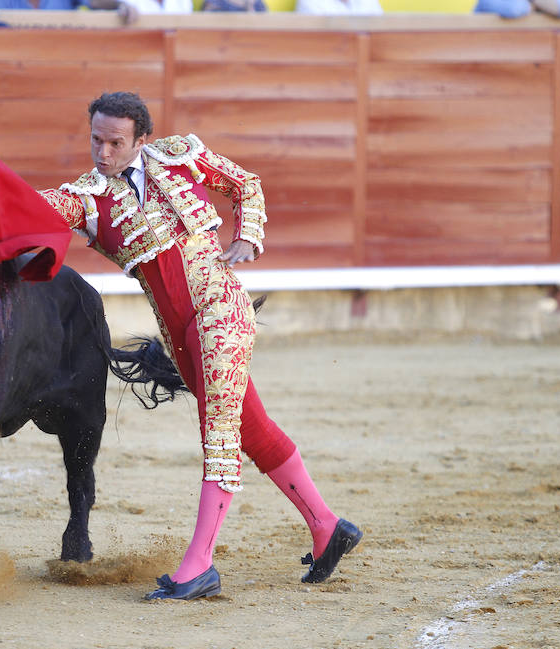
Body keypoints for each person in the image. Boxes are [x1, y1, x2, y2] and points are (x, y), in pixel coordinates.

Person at [39, 92, 362, 600]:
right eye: (96, 140)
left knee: (220, 433)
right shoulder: (89, 195)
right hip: (181, 337)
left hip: (221, 311)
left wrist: (248, 237)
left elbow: (245, 185)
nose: (103, 152)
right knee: (252, 429)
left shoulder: (180, 155)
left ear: (141, 139)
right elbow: (33, 209)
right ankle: (327, 527)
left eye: (115, 142)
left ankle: (199, 566)